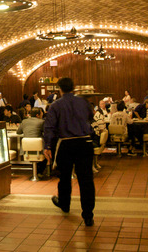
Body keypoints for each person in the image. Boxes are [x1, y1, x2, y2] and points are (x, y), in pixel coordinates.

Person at [42, 77, 96, 227]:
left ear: (59, 88)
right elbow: (90, 118)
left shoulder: (55, 105)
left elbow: (50, 127)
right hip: (85, 142)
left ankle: (64, 204)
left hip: (66, 143)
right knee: (86, 180)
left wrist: (47, 146)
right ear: (73, 88)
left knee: (64, 176)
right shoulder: (84, 102)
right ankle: (88, 215)